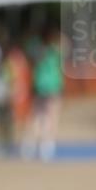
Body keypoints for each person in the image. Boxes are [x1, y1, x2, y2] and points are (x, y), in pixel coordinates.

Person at [22, 27, 64, 161]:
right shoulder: (54, 51)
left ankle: (30, 145)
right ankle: (46, 146)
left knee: (38, 117)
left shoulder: (37, 50)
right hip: (52, 87)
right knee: (51, 117)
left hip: (40, 87)